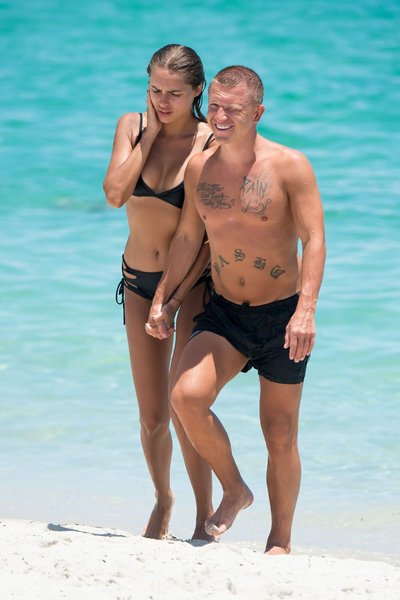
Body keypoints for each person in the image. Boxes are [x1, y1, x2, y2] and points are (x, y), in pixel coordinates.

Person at [146, 65, 326, 554]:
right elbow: (189, 237)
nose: (221, 117)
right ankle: (234, 488)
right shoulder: (200, 168)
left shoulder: (290, 166)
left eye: (233, 109)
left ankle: (279, 540)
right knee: (186, 397)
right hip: (225, 311)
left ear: (258, 112)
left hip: (281, 316)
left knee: (280, 434)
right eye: (216, 107)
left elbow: (313, 239)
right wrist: (163, 298)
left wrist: (305, 311)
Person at [103, 44, 218, 541]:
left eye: (174, 93)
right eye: (155, 90)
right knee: (152, 417)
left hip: (189, 286)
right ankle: (163, 499)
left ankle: (204, 513)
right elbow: (114, 194)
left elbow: (204, 238)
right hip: (136, 280)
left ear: (197, 91)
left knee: (182, 406)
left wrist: (168, 301)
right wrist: (148, 139)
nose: (162, 101)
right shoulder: (132, 126)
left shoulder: (209, 143)